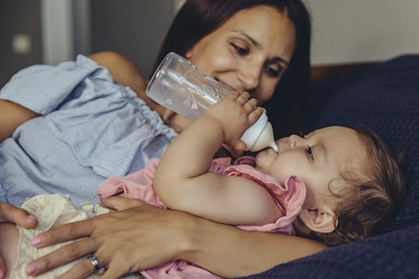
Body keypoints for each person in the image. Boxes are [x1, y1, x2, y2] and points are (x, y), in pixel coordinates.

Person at [0, 0, 319, 278]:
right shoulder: (108, 76)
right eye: (240, 48)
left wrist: (188, 233)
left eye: (273, 70)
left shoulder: (229, 177)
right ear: (195, 38)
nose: (252, 79)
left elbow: (319, 256)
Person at [0, 92, 404, 279]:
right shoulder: (255, 191)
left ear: (316, 214)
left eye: (312, 152)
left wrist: (214, 124)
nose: (296, 139)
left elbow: (175, 184)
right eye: (308, 134)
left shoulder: (262, 201)